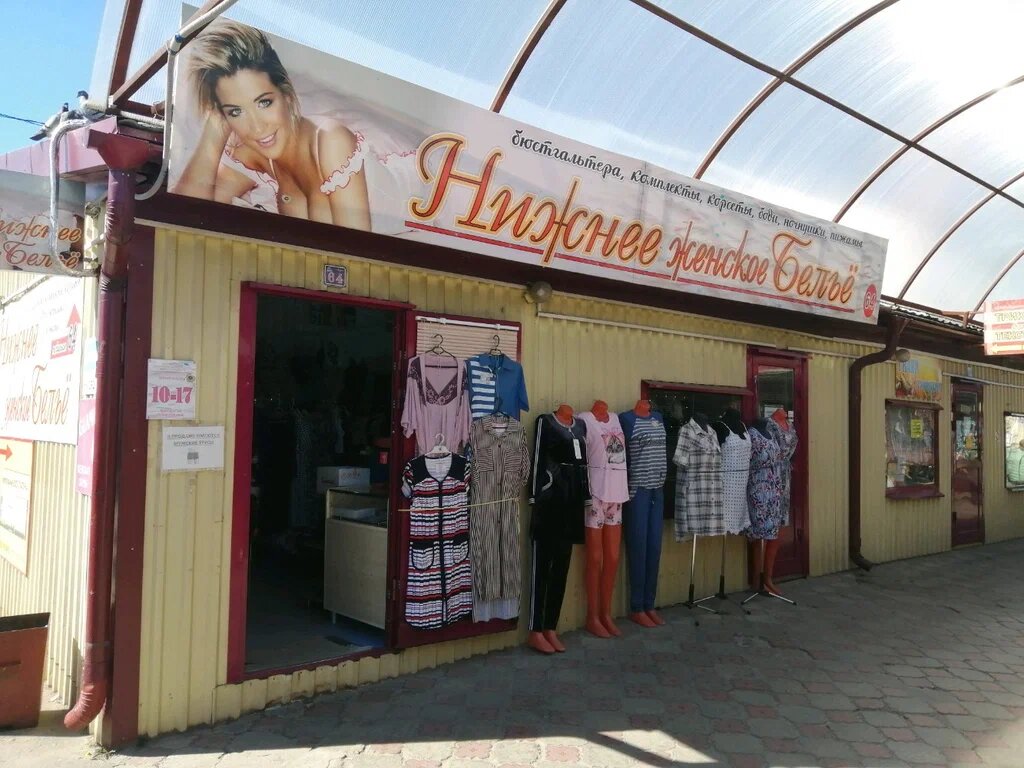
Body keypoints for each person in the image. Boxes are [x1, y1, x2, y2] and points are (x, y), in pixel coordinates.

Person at [172, 20, 371, 230]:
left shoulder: (331, 140)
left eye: (264, 102)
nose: (257, 128)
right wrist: (214, 129)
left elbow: (359, 246)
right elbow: (186, 217)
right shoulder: (253, 157)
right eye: (236, 112)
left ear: (286, 94)